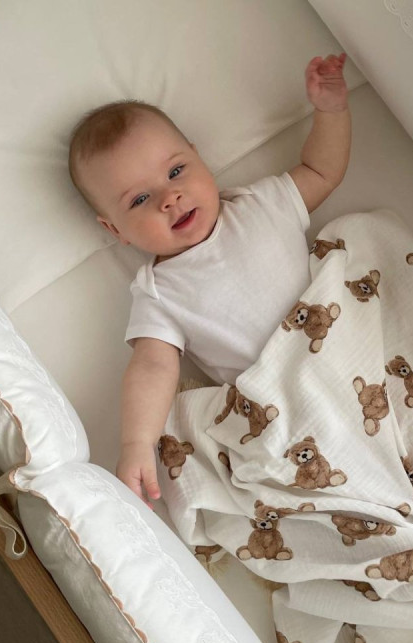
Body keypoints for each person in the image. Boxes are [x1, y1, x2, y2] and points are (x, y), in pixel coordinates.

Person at [68, 54, 350, 507]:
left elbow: (322, 171)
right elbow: (153, 367)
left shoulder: (261, 204)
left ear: (199, 157)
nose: (170, 197)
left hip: (350, 347)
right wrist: (137, 443)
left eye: (175, 172)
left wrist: (331, 111)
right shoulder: (160, 291)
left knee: (371, 234)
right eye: (139, 199)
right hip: (289, 405)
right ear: (115, 230)